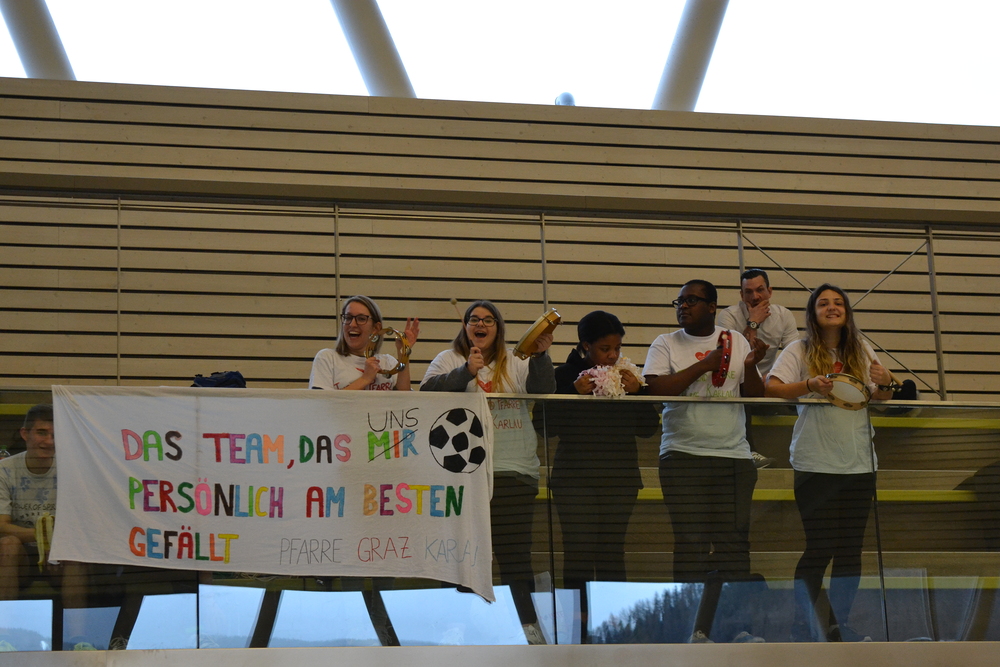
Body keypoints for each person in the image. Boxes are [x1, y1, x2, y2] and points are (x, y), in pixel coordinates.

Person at [420, 300, 556, 644]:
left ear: (499, 328)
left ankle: (528, 628)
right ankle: (455, 630)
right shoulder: (448, 358)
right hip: (463, 474)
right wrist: (466, 371)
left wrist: (541, 355)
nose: (481, 325)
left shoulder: (517, 360)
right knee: (461, 554)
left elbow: (545, 390)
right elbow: (426, 395)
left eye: (489, 320)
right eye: (474, 319)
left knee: (515, 554)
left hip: (514, 470)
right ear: (465, 326)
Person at [765, 283, 894, 642]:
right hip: (815, 463)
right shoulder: (799, 348)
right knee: (820, 547)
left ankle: (839, 624)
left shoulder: (861, 348)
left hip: (859, 464)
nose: (832, 307)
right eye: (823, 303)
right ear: (813, 313)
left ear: (847, 312)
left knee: (850, 549)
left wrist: (886, 383)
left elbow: (880, 399)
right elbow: (772, 387)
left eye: (838, 303)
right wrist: (809, 384)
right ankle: (805, 623)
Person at [642, 280, 768, 643]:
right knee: (691, 543)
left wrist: (753, 366)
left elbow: (754, 396)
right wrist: (705, 365)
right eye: (679, 301)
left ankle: (737, 629)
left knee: (734, 544)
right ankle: (693, 629)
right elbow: (656, 390)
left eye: (692, 301)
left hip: (733, 456)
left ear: (712, 306)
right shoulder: (665, 343)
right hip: (683, 456)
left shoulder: (735, 340)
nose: (683, 306)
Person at [544, 310, 660, 642]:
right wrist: (572, 394)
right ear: (585, 346)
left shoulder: (628, 376)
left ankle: (614, 628)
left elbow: (648, 429)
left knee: (611, 552)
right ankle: (576, 631)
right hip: (574, 480)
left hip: (619, 480)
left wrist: (638, 393)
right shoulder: (564, 376)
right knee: (578, 552)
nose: (612, 355)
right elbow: (545, 427)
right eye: (605, 349)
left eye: (617, 348)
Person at [0, 404, 91, 646]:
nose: (49, 441)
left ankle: (79, 641)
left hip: (60, 556)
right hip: (21, 557)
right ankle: (3, 637)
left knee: (74, 552)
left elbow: (83, 521)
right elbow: (2, 526)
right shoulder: (4, 470)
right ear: (25, 434)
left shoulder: (72, 469)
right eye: (42, 432)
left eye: (55, 434)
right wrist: (45, 538)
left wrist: (58, 545)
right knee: (7, 545)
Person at [716, 268, 800, 467]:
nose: (755, 297)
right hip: (741, 383)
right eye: (748, 292)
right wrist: (753, 323)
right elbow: (731, 357)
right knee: (737, 392)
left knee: (806, 388)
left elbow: (795, 355)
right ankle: (749, 453)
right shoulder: (728, 316)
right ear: (741, 295)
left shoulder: (784, 315)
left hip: (770, 384)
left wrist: (773, 377)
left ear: (769, 291)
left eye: (760, 290)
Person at [309, 295, 419, 391]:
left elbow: (404, 401)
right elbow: (323, 402)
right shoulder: (328, 358)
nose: (352, 324)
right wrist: (365, 379)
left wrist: (404, 352)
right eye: (348, 318)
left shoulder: (388, 362)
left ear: (376, 328)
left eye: (361, 319)